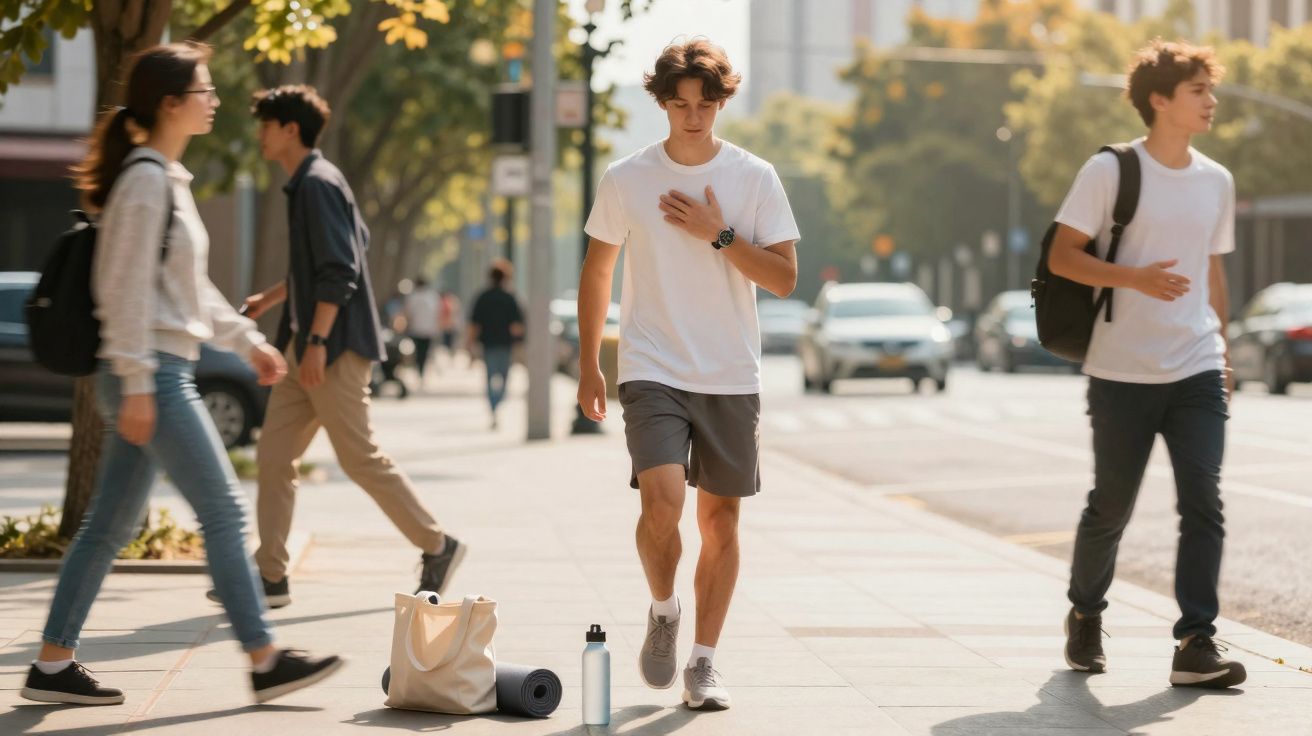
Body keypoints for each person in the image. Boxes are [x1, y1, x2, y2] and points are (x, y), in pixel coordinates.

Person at [22, 43, 341, 707]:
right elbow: (124, 290)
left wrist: (248, 341)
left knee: (108, 526)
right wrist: (138, 382)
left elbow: (189, 289)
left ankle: (52, 664)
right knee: (224, 512)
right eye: (204, 90)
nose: (214, 101)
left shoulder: (163, 180)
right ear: (170, 103)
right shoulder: (144, 181)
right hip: (155, 376)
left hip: (161, 368)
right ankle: (264, 657)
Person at [575, 39, 799, 711]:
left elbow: (785, 279)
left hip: (730, 371)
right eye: (680, 105)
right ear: (663, 104)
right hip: (651, 366)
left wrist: (719, 233)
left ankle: (703, 662)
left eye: (705, 105)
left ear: (721, 103)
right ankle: (664, 609)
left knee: (722, 524)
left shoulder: (754, 177)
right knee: (661, 502)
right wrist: (590, 363)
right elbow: (597, 270)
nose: (693, 117)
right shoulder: (627, 178)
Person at [1049, 39, 1245, 689]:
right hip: (1121, 371)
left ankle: (1195, 640)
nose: (1211, 102)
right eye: (1198, 91)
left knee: (1204, 504)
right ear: (1159, 100)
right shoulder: (1111, 171)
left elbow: (1210, 269)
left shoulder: (1216, 181)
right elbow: (1063, 258)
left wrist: (1223, 351)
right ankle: (1086, 612)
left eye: (1209, 91)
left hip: (1195, 364)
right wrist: (1131, 278)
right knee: (1111, 505)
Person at [235, 85, 464, 608]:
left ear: (290, 129)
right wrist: (270, 300)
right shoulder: (309, 183)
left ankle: (437, 543)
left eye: (265, 125)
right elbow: (328, 260)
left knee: (359, 459)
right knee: (273, 457)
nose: (260, 135)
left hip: (331, 349)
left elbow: (339, 271)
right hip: (305, 347)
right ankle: (270, 576)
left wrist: (316, 342)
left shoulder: (317, 183)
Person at [466, 259, 524, 429]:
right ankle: (497, 404)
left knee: (490, 377)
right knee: (505, 378)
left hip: (488, 344)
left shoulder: (483, 297)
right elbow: (517, 327)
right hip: (505, 345)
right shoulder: (510, 298)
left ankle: (493, 408)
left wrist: (469, 345)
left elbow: (474, 324)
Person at [403, 276, 440, 383]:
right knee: (424, 352)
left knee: (417, 352)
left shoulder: (412, 296)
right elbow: (437, 312)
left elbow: (408, 313)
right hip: (429, 329)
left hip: (416, 329)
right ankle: (421, 371)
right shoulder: (433, 296)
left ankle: (419, 370)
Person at [438, 289, 463, 366]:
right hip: (447, 326)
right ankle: (448, 358)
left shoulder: (453, 302)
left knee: (451, 343)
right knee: (447, 343)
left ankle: (450, 358)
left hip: (452, 326)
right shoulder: (443, 302)